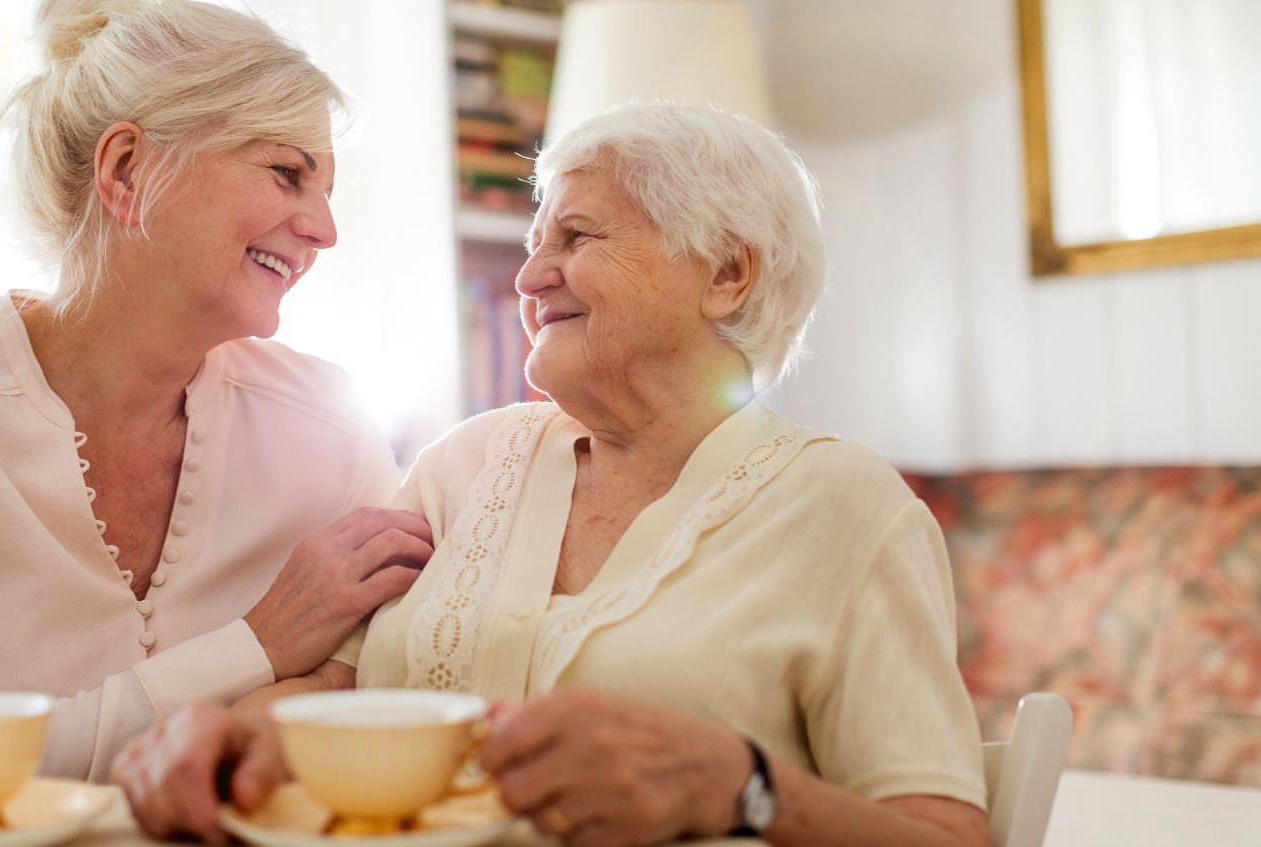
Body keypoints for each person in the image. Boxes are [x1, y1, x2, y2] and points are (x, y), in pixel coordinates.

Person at [114, 103, 992, 847]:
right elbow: (329, 696)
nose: (529, 277)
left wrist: (744, 785)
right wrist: (223, 738)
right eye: (537, 241)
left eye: (576, 235)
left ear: (727, 274)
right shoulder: (463, 463)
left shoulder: (846, 508)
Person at [0, 0, 432, 781]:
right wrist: (261, 648)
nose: (324, 228)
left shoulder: (331, 425)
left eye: (325, 188)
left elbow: (395, 696)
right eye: (286, 172)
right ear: (126, 170)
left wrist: (308, 690)